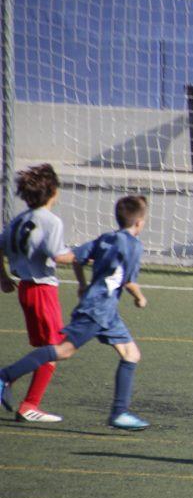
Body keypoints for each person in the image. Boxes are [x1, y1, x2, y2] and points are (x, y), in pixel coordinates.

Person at [0, 195, 152, 430]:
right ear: (139, 223)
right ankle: (5, 376)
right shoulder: (133, 246)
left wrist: (82, 285)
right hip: (98, 309)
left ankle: (120, 413)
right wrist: (140, 297)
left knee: (131, 353)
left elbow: (76, 259)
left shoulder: (106, 238)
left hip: (106, 311)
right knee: (63, 351)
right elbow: (127, 280)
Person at [0, 164, 75, 423]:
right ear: (53, 191)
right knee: (55, 349)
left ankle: (27, 403)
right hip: (42, 289)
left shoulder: (18, 220)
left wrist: (2, 276)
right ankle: (19, 394)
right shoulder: (51, 221)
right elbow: (58, 255)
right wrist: (85, 254)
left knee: (47, 348)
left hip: (26, 290)